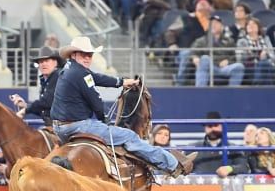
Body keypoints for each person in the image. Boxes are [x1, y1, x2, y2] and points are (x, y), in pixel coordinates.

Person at [50, 36, 196, 177]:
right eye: (84, 54)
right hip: (78, 126)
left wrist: (122, 82)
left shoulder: (69, 70)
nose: (88, 57)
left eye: (90, 54)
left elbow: (97, 78)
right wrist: (104, 120)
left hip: (59, 128)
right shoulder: (81, 74)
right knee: (129, 136)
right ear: (74, 54)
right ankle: (173, 164)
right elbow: (95, 101)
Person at [10, 46, 63, 126]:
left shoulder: (57, 76)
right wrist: (25, 105)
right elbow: (44, 109)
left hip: (61, 126)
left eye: (47, 61)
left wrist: (25, 110)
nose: (43, 64)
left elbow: (47, 102)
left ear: (55, 62)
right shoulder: (46, 80)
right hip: (53, 125)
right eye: (41, 62)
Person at [192, 15, 245, 86]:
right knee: (205, 58)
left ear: (222, 26)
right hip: (209, 67)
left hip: (224, 68)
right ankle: (200, 91)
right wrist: (195, 57)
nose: (213, 25)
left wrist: (228, 61)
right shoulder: (201, 40)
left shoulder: (229, 41)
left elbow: (234, 57)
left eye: (216, 23)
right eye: (211, 24)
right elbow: (194, 52)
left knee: (239, 66)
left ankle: (233, 93)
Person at [191, 111, 250, 176]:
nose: (213, 129)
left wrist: (230, 169)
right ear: (205, 128)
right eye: (210, 126)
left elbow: (244, 168)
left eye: (216, 125)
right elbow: (182, 168)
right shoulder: (194, 148)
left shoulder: (233, 148)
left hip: (226, 185)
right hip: (200, 185)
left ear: (222, 126)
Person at [236, 17, 275, 85]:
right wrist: (258, 56)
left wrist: (265, 55)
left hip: (268, 65)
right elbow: (239, 59)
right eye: (249, 24)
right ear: (246, 28)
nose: (251, 26)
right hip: (250, 68)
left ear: (258, 27)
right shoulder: (242, 41)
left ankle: (257, 85)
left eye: (254, 24)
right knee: (264, 64)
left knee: (264, 63)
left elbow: (273, 56)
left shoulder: (266, 39)